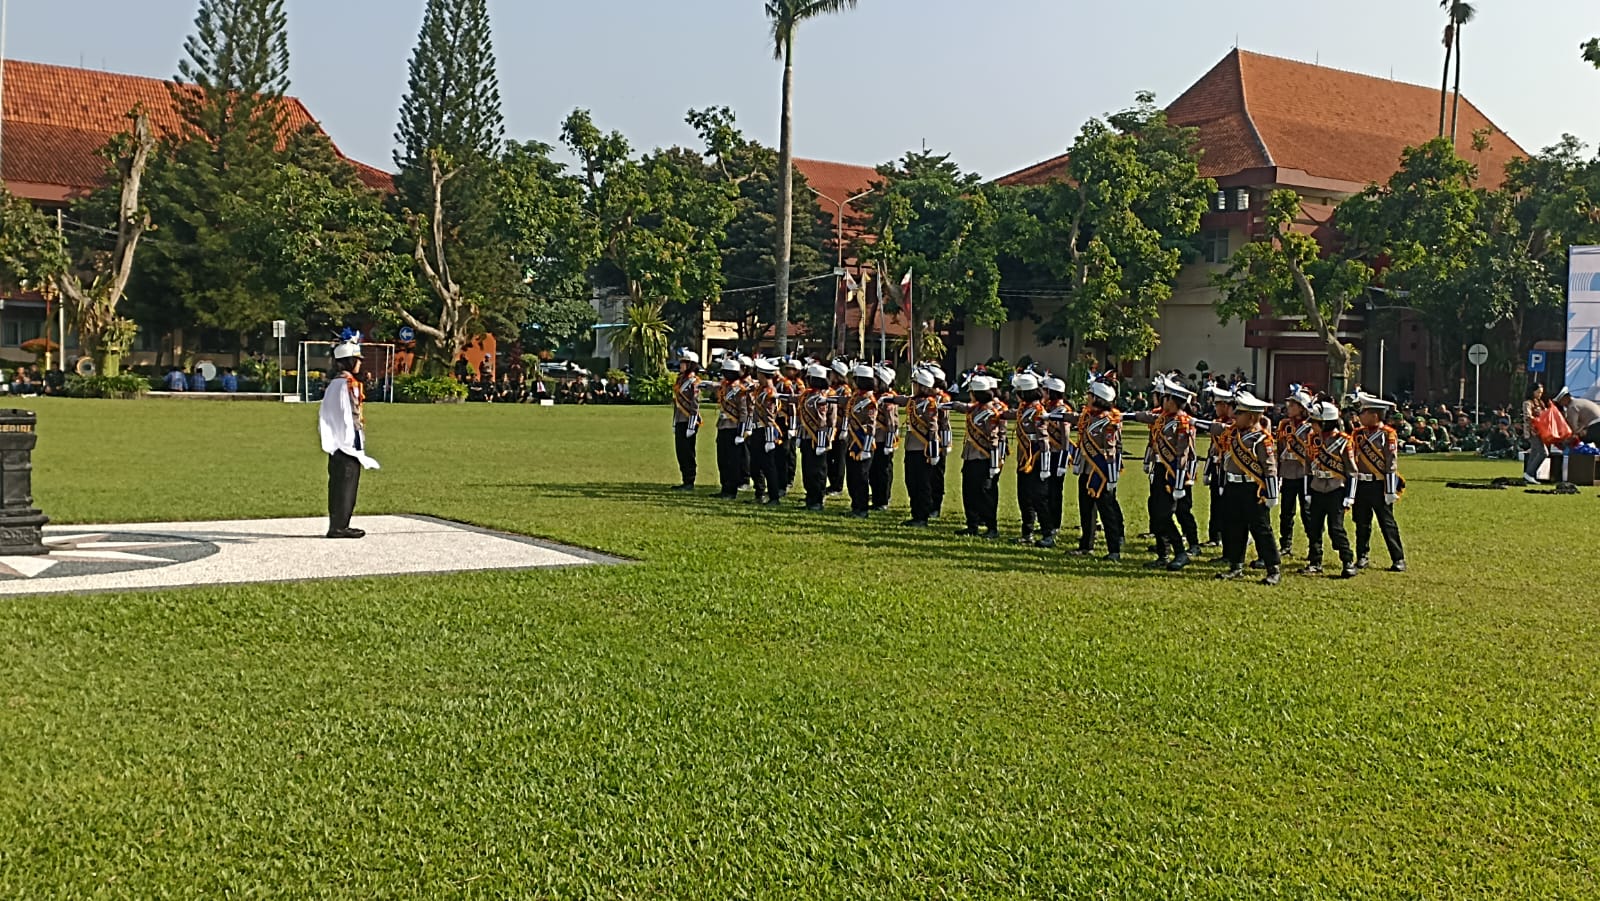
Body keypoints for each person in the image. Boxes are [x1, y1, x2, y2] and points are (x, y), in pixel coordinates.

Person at [1214, 391, 1282, 585]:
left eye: (1240, 413)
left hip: (1253, 489)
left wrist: (1271, 493)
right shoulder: (1234, 434)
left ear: (1251, 417)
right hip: (1233, 486)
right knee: (1234, 526)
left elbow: (1270, 468)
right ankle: (1236, 565)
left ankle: (1273, 568)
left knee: (1261, 529)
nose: (1235, 416)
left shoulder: (1262, 439)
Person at [318, 336, 380, 539]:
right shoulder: (347, 385)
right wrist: (353, 444)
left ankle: (337, 523)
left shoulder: (334, 384)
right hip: (346, 444)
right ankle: (340, 526)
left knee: (336, 485)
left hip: (336, 444)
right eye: (357, 359)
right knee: (346, 486)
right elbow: (348, 417)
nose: (360, 363)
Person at [1134, 376, 1197, 570]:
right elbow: (1144, 417)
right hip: (1160, 469)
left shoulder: (1183, 423)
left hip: (1174, 473)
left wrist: (1179, 485)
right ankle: (1163, 553)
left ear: (1174, 401)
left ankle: (1180, 552)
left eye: (1167, 398)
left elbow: (1183, 456)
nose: (1163, 401)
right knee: (1155, 511)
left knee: (1164, 514)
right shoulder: (1162, 419)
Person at [944, 375, 1007, 539]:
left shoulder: (989, 413)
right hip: (970, 456)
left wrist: (994, 464)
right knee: (969, 492)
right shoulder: (975, 409)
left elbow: (993, 439)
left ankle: (991, 527)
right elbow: (962, 407)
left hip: (984, 458)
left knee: (985, 494)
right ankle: (972, 524)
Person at [1301, 399, 1359, 579]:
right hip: (1317, 487)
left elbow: (1352, 471)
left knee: (1336, 528)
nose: (1312, 426)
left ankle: (1348, 561)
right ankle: (1315, 561)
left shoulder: (1343, 441)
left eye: (1315, 422)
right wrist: (1307, 492)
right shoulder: (1312, 439)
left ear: (1326, 423)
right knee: (1314, 527)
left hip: (1336, 489)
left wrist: (1350, 496)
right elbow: (1308, 467)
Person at [1070, 380, 1125, 561]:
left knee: (1106, 512)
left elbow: (1110, 452)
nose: (1087, 398)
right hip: (1087, 470)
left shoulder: (1109, 422)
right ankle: (1086, 545)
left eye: (1090, 395)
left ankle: (1114, 550)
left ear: (1097, 398)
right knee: (1086, 511)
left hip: (1101, 473)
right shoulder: (1088, 417)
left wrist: (1111, 477)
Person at [1352, 393, 1407, 573]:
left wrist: (1390, 490)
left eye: (1364, 412)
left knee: (1387, 523)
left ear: (1374, 415)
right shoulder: (1357, 434)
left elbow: (1391, 463)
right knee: (1361, 522)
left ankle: (1398, 558)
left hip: (1379, 485)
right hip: (1361, 484)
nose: (1360, 416)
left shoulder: (1387, 434)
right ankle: (1362, 556)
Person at [1003, 372, 1050, 544]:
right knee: (1024, 496)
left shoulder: (1038, 411)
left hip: (1035, 459)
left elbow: (1044, 441)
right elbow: (1013, 414)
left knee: (1038, 497)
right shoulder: (1024, 409)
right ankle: (1027, 533)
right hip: (1024, 459)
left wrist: (1045, 467)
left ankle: (1047, 534)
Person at [900, 366, 943, 527]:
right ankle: (915, 513)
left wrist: (933, 452)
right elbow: (901, 399)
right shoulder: (914, 401)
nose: (914, 387)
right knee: (911, 482)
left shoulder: (929, 404)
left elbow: (933, 429)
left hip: (923, 450)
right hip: (911, 447)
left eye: (916, 384)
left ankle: (922, 516)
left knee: (922, 484)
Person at [1275, 390, 1315, 558]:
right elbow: (1279, 447)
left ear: (1302, 407)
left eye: (1292, 405)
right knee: (1286, 512)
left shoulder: (1311, 426)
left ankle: (1314, 547)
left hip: (1305, 473)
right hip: (1288, 472)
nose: (1288, 407)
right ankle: (1285, 544)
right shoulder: (1284, 424)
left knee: (1307, 513)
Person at [1037, 376, 1073, 548]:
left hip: (1058, 454)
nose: (1043, 393)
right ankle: (1047, 522)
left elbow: (1065, 436)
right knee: (1045, 490)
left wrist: (1063, 460)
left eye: (1045, 391)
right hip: (1048, 453)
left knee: (1054, 491)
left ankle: (1054, 524)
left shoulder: (1062, 409)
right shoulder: (1048, 408)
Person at [843, 364, 881, 519]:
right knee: (852, 477)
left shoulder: (869, 401)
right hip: (852, 442)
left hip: (863, 444)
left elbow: (871, 426)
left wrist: (866, 449)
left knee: (861, 477)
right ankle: (855, 506)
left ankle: (862, 509)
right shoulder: (856, 397)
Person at [797, 363, 837, 512]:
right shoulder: (807, 396)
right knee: (807, 471)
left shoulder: (822, 398)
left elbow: (822, 422)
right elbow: (802, 418)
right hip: (807, 438)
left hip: (818, 440)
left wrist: (821, 443)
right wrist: (800, 436)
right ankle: (810, 498)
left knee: (817, 471)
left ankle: (817, 500)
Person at [1200, 386, 1235, 549]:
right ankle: (1214, 536)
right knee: (1215, 505)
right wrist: (1207, 470)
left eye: (1218, 405)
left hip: (1230, 470)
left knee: (1228, 507)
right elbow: (1212, 449)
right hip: (1217, 468)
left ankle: (1227, 537)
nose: (1216, 408)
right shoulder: (1218, 423)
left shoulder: (1233, 426)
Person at [748, 359, 786, 505]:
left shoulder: (770, 393)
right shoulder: (761, 391)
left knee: (769, 466)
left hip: (766, 432)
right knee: (755, 465)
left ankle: (774, 497)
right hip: (758, 430)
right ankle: (760, 493)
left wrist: (770, 440)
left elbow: (770, 418)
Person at [713, 358, 750, 499]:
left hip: (734, 428)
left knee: (732, 461)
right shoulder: (725, 387)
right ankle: (724, 487)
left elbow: (744, 413)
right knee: (722, 460)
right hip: (722, 426)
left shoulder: (739, 390)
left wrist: (741, 433)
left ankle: (731, 490)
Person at [670, 351, 704, 491]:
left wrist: (691, 425)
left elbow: (694, 405)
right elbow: (677, 403)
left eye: (684, 363)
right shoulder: (680, 380)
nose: (681, 365)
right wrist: (674, 422)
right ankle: (684, 479)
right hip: (679, 420)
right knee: (680, 452)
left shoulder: (694, 382)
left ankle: (690, 480)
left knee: (688, 451)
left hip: (689, 421)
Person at [869, 364, 900, 511]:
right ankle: (876, 498)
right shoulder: (875, 397)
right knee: (873, 471)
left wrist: (889, 444)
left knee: (883, 471)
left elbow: (892, 424)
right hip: (874, 439)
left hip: (883, 440)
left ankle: (882, 500)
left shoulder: (888, 400)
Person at [826, 361, 850, 497]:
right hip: (833, 428)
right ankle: (832, 483)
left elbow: (847, 410)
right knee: (830, 457)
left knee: (839, 458)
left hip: (841, 428)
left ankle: (838, 486)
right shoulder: (832, 388)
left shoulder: (845, 390)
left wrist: (845, 428)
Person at [1522, 383, 1550, 485]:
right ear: (1532, 391)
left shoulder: (1540, 403)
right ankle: (1530, 473)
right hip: (1532, 432)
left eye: (1541, 393)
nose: (1540, 394)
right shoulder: (1527, 403)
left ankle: (1529, 475)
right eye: (1538, 392)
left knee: (1534, 452)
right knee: (1543, 453)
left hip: (1540, 431)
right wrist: (1537, 421)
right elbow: (1527, 417)